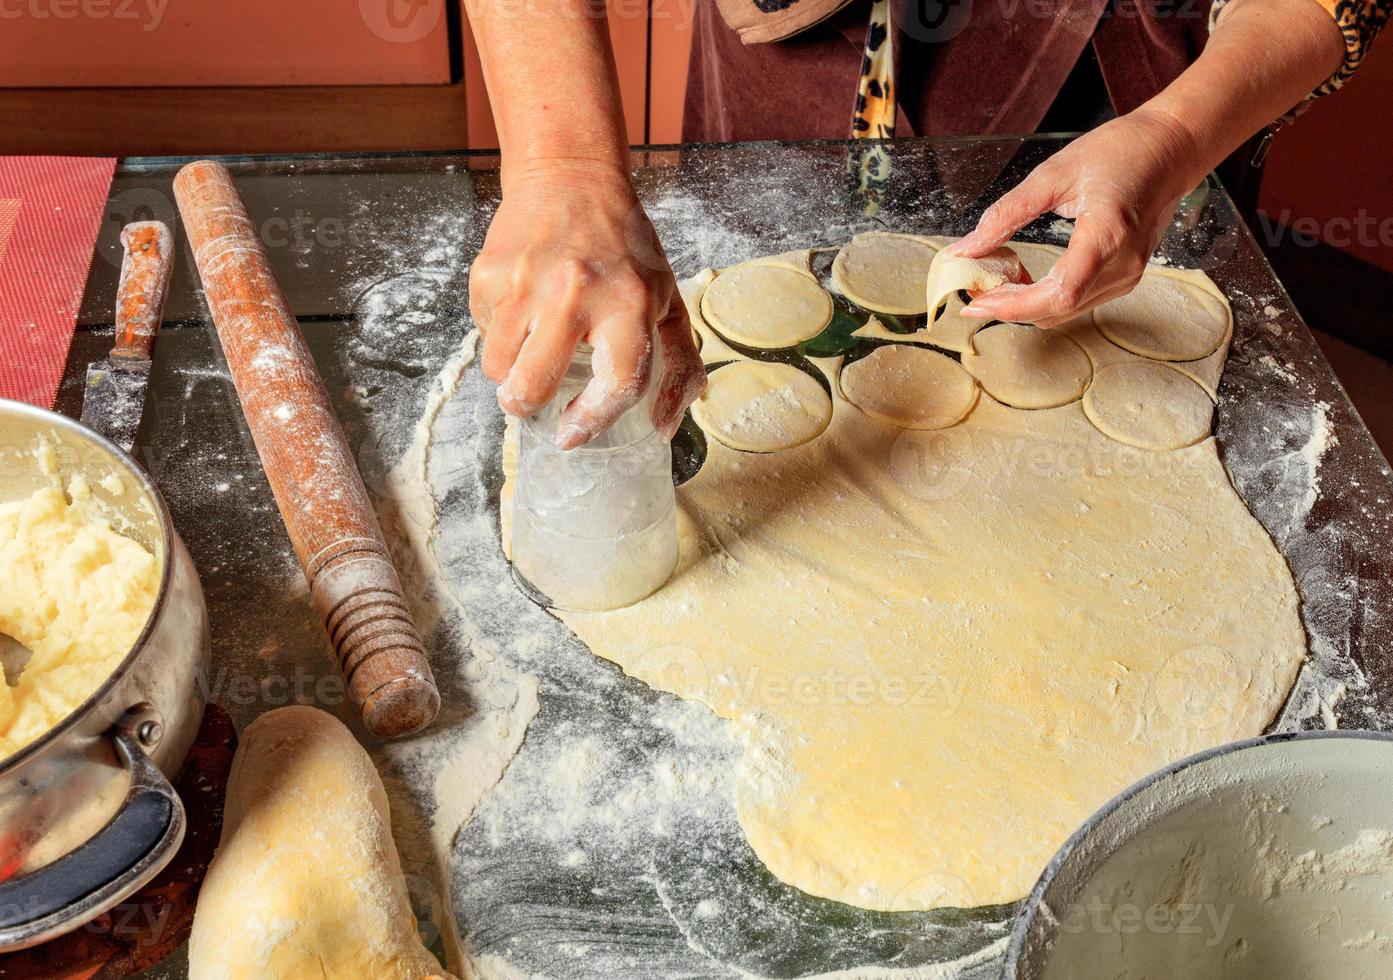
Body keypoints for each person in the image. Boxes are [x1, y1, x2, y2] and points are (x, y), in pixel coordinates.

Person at [462, 0, 1384, 447]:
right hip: (814, 40)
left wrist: (1175, 132)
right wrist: (566, 168)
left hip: (1154, 75)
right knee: (755, 355)